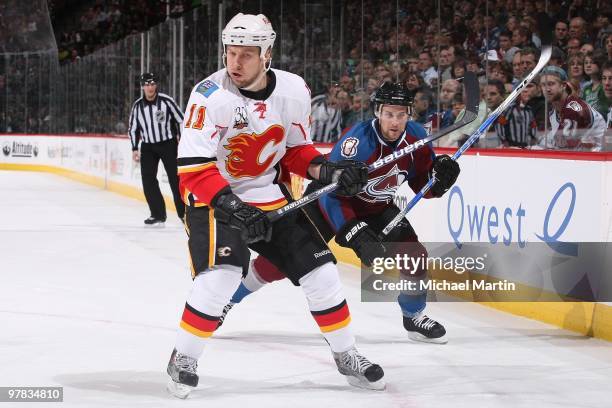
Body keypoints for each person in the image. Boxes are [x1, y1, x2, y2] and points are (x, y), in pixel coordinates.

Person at [166, 13, 383, 398]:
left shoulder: (294, 90)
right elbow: (192, 170)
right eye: (230, 52)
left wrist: (328, 171)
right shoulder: (208, 96)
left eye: (246, 54)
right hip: (213, 197)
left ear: (267, 54)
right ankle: (183, 357)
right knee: (222, 276)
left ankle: (346, 354)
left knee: (322, 274)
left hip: (268, 194)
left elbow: (296, 152)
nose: (235, 63)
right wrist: (233, 207)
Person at [220, 82, 461, 345]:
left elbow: (421, 186)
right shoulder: (356, 143)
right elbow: (333, 194)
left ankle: (413, 316)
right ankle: (229, 298)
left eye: (401, 114)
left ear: (409, 114)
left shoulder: (417, 138)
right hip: (326, 203)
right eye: (389, 114)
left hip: (376, 206)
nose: (395, 122)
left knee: (415, 256)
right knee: (278, 264)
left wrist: (438, 182)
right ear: (378, 112)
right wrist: (355, 234)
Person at [128, 72, 185, 226]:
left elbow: (181, 120)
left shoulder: (167, 101)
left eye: (152, 84)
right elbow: (133, 129)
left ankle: (184, 214)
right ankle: (157, 214)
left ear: (156, 85)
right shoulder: (137, 106)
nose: (150, 87)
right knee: (148, 180)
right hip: (148, 146)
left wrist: (182, 139)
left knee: (176, 179)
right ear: (142, 87)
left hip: (168, 144)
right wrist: (134, 148)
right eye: (146, 84)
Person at [537, 66, 606, 151]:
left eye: (551, 84)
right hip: (582, 158)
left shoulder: (573, 109)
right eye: (543, 85)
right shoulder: (553, 113)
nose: (547, 89)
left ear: (563, 86)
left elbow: (563, 148)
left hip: (600, 158)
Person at [485, 79, 536, 148]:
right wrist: (504, 141)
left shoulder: (528, 110)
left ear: (502, 95)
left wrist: (533, 139)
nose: (488, 98)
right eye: (484, 95)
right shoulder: (509, 109)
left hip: (523, 146)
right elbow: (501, 124)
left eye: (493, 94)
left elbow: (533, 126)